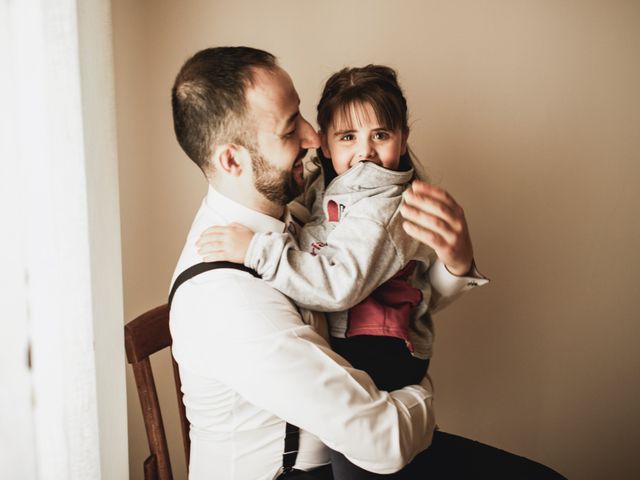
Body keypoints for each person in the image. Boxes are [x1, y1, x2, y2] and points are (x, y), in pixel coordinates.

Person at [170, 46, 565, 479]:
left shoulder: (290, 211)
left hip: (359, 441)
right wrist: (420, 396)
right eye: (289, 130)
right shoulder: (226, 299)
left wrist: (455, 265)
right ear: (232, 160)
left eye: (303, 116)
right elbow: (384, 442)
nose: (313, 137)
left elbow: (379, 290)